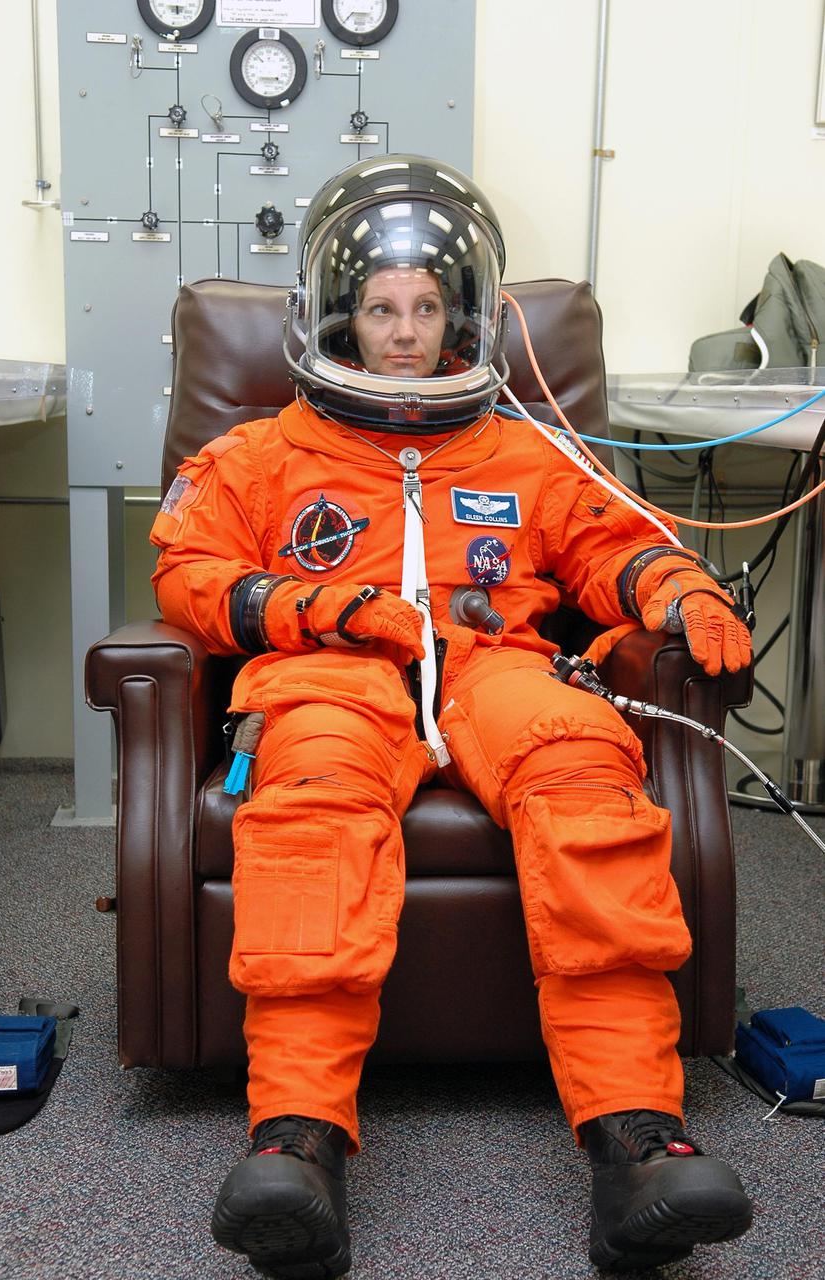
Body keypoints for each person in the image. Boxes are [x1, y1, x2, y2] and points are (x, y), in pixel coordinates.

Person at [150, 154, 754, 1278]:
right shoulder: (261, 453)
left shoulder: (522, 449)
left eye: (425, 307)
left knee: (583, 779)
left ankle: (637, 1143)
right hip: (333, 666)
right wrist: (320, 605)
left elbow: (609, 543)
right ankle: (296, 1142)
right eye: (379, 307)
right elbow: (188, 575)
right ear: (335, 312)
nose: (401, 331)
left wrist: (677, 589)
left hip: (497, 666)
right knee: (312, 809)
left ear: (461, 316)